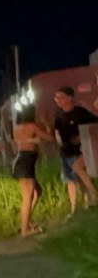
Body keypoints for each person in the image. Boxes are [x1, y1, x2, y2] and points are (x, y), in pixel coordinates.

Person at [53, 86, 98, 214]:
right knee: (71, 179)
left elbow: (95, 123)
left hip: (79, 151)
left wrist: (83, 136)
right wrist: (58, 140)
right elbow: (57, 131)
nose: (57, 100)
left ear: (70, 98)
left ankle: (91, 198)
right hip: (65, 151)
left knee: (79, 170)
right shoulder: (59, 114)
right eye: (56, 98)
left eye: (60, 97)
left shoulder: (80, 112)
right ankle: (77, 207)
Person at [12, 107, 53, 237]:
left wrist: (32, 140)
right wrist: (46, 124)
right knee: (28, 196)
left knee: (37, 191)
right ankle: (25, 231)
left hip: (21, 160)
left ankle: (27, 221)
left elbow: (21, 142)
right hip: (26, 162)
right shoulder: (32, 126)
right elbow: (50, 137)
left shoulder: (16, 128)